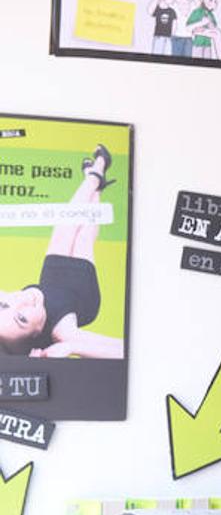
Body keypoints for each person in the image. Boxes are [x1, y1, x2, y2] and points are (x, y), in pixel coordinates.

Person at [0, 144, 125, 359]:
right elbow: (128, 348)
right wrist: (72, 346)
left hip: (52, 281)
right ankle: (97, 172)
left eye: (3, 304)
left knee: (66, 223)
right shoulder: (62, 332)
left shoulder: (24, 305)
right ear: (38, 333)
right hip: (79, 293)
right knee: (84, 235)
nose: (21, 300)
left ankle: (94, 180)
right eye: (22, 319)